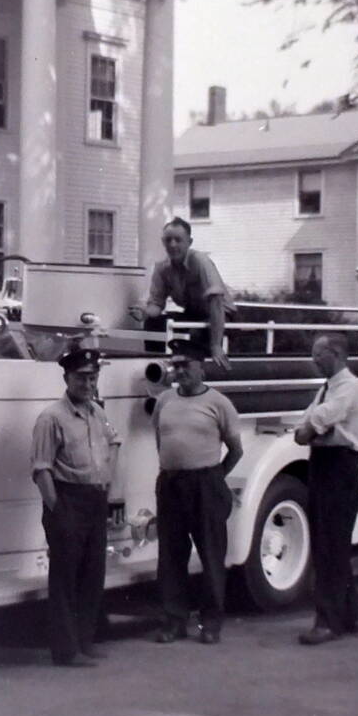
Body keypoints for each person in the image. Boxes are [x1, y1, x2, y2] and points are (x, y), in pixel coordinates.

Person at [31, 346, 120, 667]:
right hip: (67, 500)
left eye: (93, 377)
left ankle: (85, 641)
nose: (88, 384)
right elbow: (41, 469)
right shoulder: (51, 418)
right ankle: (66, 651)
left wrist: (107, 483)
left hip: (94, 500)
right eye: (81, 377)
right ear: (67, 378)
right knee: (65, 579)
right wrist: (58, 509)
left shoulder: (98, 413)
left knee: (92, 574)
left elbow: (114, 443)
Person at [152, 338, 243, 645]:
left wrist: (214, 478)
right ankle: (174, 621)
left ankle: (211, 623)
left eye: (186, 365)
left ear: (201, 368)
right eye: (175, 365)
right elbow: (160, 440)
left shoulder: (219, 403)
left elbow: (236, 449)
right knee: (170, 555)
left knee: (211, 555)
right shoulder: (165, 400)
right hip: (171, 484)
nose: (180, 371)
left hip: (206, 484)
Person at [294, 333, 358, 645]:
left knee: (330, 546)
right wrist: (310, 429)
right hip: (323, 464)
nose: (314, 360)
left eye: (319, 354)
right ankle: (349, 616)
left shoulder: (349, 387)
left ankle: (327, 621)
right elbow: (305, 424)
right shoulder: (326, 389)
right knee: (328, 543)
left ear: (336, 354)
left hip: (340, 466)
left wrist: (311, 429)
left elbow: (319, 419)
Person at [128, 218, 236, 370]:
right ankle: (155, 367)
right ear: (163, 242)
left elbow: (216, 301)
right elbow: (157, 304)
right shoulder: (162, 268)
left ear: (189, 242)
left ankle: (193, 373)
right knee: (153, 322)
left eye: (178, 240)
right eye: (168, 240)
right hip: (193, 314)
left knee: (195, 332)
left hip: (221, 315)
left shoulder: (200, 261)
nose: (172, 245)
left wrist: (216, 345)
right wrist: (145, 312)